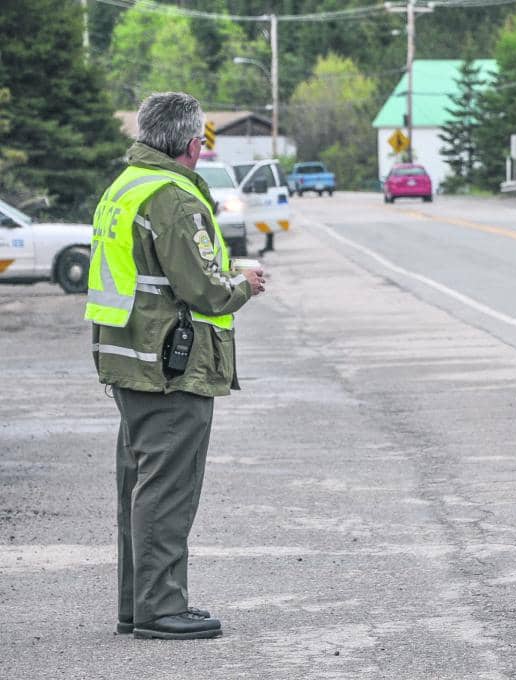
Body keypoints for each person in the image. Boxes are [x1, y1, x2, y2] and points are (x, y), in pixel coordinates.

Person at [85, 92, 267, 640]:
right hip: (170, 366)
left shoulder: (125, 186)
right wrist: (245, 284)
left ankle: (136, 604)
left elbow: (150, 274)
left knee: (140, 484)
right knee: (167, 487)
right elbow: (204, 290)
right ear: (194, 144)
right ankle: (161, 609)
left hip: (129, 358)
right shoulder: (174, 197)